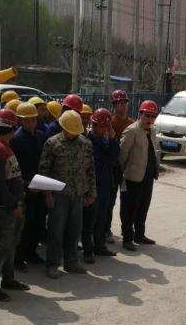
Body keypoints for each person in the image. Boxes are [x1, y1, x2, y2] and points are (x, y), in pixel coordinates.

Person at [39, 110, 96, 278]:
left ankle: (71, 262)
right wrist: (47, 194)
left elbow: (90, 170)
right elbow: (44, 170)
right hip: (58, 195)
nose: (73, 134)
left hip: (77, 194)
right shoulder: (52, 143)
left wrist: (91, 192)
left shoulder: (85, 144)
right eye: (70, 131)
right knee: (56, 231)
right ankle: (53, 264)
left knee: (74, 230)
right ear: (63, 127)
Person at [0, 109, 29, 302]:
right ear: (11, 128)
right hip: (6, 208)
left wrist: (27, 186)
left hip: (12, 205)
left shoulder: (2, 147)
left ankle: (8, 279)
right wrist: (13, 204)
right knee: (2, 248)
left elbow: (10, 176)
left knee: (11, 245)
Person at [119, 100, 160, 251]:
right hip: (132, 177)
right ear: (140, 114)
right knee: (129, 209)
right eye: (147, 115)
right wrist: (125, 172)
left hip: (148, 175)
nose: (150, 119)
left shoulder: (152, 131)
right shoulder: (131, 131)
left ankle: (139, 234)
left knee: (143, 206)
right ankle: (127, 238)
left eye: (153, 116)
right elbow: (122, 155)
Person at [11, 102, 47, 269]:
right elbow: (14, 168)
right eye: (27, 120)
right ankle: (19, 257)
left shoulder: (40, 136)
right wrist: (24, 185)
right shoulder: (16, 139)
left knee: (37, 221)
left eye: (33, 119)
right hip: (24, 186)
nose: (31, 122)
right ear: (20, 120)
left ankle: (32, 252)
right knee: (23, 225)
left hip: (39, 184)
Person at [82, 108, 119, 263]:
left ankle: (100, 246)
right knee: (89, 221)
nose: (105, 130)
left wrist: (112, 139)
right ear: (94, 125)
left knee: (102, 218)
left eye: (107, 126)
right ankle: (88, 251)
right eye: (102, 126)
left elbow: (114, 159)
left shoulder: (106, 141)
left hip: (106, 186)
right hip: (93, 187)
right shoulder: (87, 142)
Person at [106, 90, 134, 241]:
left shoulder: (131, 123)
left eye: (124, 102)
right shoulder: (110, 123)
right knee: (109, 201)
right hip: (113, 168)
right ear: (114, 105)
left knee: (127, 203)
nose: (122, 105)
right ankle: (106, 230)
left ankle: (127, 232)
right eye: (119, 103)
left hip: (127, 169)